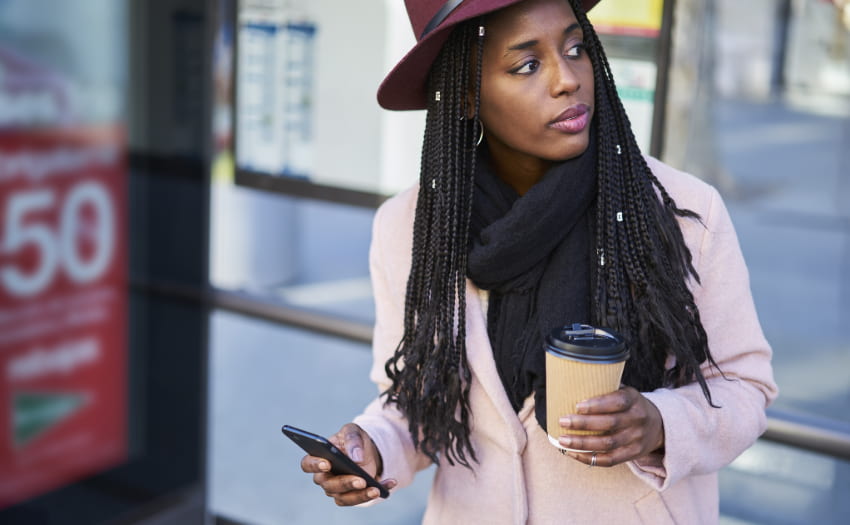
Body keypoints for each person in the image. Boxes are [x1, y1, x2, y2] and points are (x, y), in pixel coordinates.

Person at [299, 0, 778, 522]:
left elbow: (745, 389)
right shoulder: (409, 226)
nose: (568, 79)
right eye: (527, 64)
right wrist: (373, 445)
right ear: (465, 95)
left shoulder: (683, 212)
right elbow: (417, 400)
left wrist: (661, 423)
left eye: (576, 49)